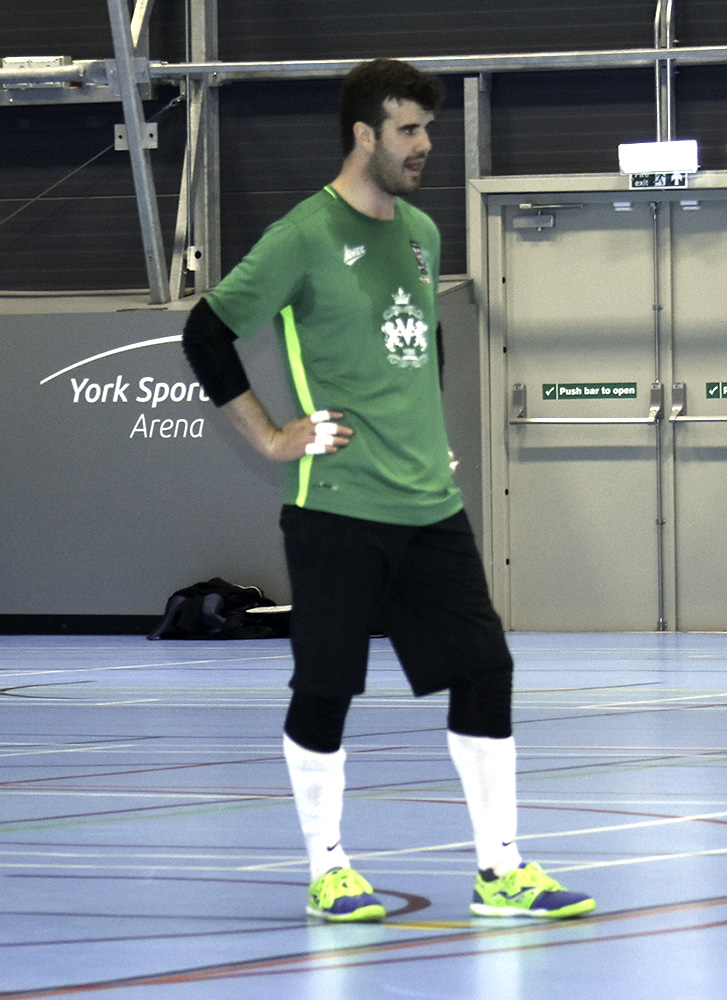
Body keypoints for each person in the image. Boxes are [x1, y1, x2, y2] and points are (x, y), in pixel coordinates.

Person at [183, 58, 596, 923]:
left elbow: (425, 342)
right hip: (337, 505)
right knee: (326, 686)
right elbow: (206, 332)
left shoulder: (420, 231)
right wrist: (270, 436)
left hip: (428, 508)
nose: (424, 145)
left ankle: (500, 871)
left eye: (427, 130)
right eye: (409, 130)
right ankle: (328, 870)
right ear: (363, 134)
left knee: (484, 670)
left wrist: (427, 432)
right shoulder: (302, 235)